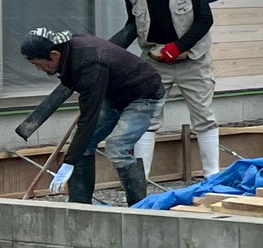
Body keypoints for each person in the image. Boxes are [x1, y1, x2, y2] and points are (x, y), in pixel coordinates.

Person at [19, 28, 166, 205]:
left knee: (117, 147)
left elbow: (89, 117)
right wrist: (73, 156)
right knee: (82, 144)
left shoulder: (90, 65)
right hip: (115, 95)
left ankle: (138, 208)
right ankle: (80, 206)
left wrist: (69, 161)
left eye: (38, 63)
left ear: (54, 54)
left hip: (144, 96)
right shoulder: (69, 52)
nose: (39, 68)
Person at [118, 0, 220, 179]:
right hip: (154, 61)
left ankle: (212, 176)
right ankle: (140, 179)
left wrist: (179, 46)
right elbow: (132, 27)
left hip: (193, 60)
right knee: (147, 117)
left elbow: (205, 19)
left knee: (204, 117)